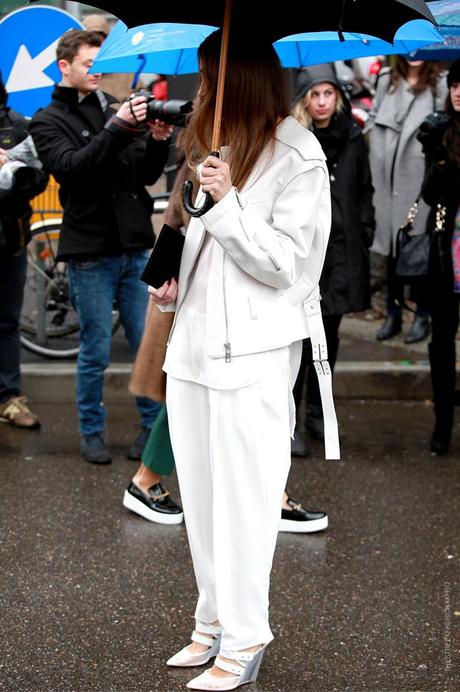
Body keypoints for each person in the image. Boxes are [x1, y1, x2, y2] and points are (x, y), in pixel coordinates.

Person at [149, 29, 335, 691]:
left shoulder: (297, 154)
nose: (204, 90)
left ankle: (247, 632)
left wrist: (227, 205)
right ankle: (212, 619)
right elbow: (203, 256)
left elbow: (288, 265)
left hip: (254, 355)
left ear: (245, 79)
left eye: (213, 77)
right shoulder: (212, 145)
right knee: (200, 501)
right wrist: (172, 291)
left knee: (247, 503)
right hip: (193, 350)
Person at [124, 158, 328, 533]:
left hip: (216, 297)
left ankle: (266, 495)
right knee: (197, 393)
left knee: (216, 397)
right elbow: (181, 219)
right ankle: (147, 478)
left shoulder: (268, 152)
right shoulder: (212, 150)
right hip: (198, 294)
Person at [29, 30, 172, 464]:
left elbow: (143, 175)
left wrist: (158, 141)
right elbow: (73, 169)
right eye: (88, 63)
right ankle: (92, 431)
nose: (96, 71)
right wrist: (117, 128)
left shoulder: (115, 108)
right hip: (90, 250)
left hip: (134, 246)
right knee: (95, 349)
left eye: (100, 63)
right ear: (65, 67)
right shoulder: (47, 119)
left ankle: (150, 428)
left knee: (146, 343)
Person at [290, 64, 375, 455]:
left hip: (344, 251)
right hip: (308, 251)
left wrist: (365, 230)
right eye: (315, 95)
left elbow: (363, 189)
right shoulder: (295, 140)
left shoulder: (353, 136)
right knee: (301, 336)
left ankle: (318, 411)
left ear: (337, 97)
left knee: (330, 335)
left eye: (328, 94)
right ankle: (292, 417)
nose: (322, 102)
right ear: (305, 99)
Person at [366, 57, 446, 344]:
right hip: (386, 180)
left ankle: (422, 314)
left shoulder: (440, 84)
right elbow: (374, 117)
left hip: (418, 180)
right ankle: (393, 312)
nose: (414, 53)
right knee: (391, 249)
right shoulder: (387, 79)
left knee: (419, 246)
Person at [0, 74, 48, 429]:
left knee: (7, 322)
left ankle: (9, 398)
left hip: (10, 238)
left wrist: (10, 172)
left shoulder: (17, 125)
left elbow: (39, 180)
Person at [418, 59, 460, 456]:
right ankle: (442, 425)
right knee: (441, 344)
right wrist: (440, 156)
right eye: (455, 84)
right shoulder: (440, 131)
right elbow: (429, 194)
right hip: (447, 256)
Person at [81, 14, 145, 103]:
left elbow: (143, 99)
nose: (97, 42)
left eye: (102, 37)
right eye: (91, 38)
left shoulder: (126, 72)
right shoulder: (76, 75)